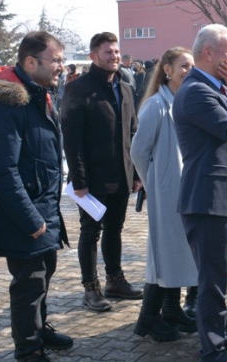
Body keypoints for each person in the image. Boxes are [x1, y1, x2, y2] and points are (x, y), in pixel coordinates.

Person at [0, 32, 72, 362]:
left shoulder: (39, 94)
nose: (61, 67)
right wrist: (31, 219)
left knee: (44, 274)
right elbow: (1, 170)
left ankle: (40, 330)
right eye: (56, 60)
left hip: (43, 207)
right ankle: (28, 350)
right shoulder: (7, 104)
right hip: (23, 214)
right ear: (31, 62)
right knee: (29, 284)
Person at [173, 24, 227, 361]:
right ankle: (212, 350)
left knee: (218, 276)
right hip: (208, 198)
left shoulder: (210, 87)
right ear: (208, 53)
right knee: (212, 280)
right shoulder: (197, 91)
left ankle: (220, 337)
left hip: (221, 196)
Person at [61, 32, 143, 312]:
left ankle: (115, 280)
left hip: (120, 174)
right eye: (108, 52)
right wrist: (80, 179)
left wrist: (136, 173)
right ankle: (91, 288)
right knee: (90, 231)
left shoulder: (125, 87)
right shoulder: (79, 88)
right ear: (93, 56)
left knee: (115, 229)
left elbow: (133, 133)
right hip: (92, 178)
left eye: (116, 51)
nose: (115, 56)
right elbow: (72, 139)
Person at [129, 48, 199, 343]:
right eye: (183, 66)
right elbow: (138, 151)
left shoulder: (182, 101)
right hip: (167, 192)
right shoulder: (156, 106)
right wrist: (154, 183)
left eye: (192, 66)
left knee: (177, 252)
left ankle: (171, 309)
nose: (189, 71)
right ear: (167, 69)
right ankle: (147, 318)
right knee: (163, 253)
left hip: (184, 190)